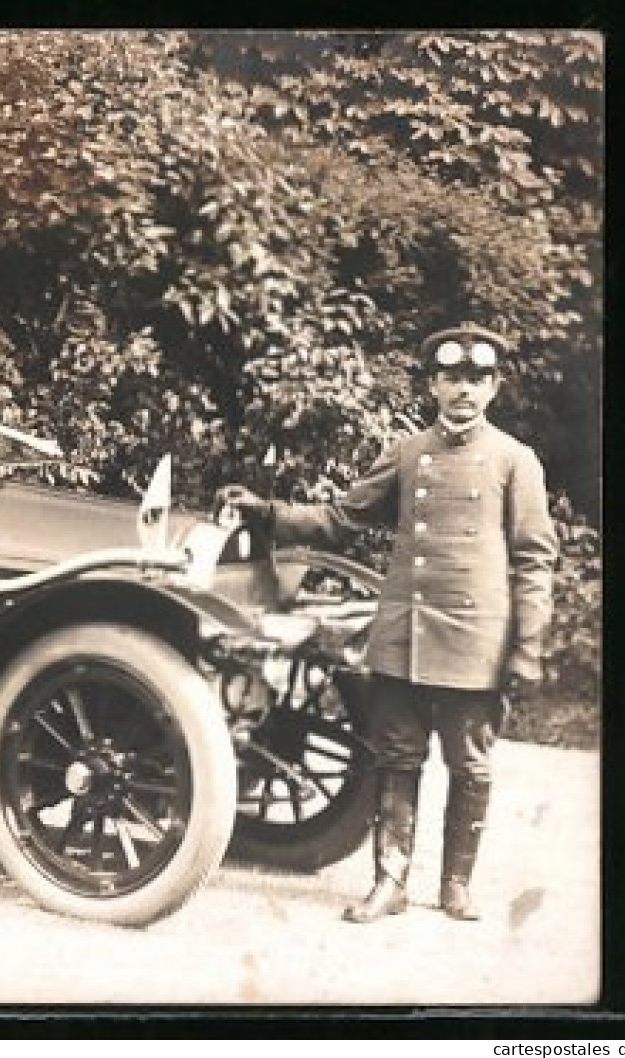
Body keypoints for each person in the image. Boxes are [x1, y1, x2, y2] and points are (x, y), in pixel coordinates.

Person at [216, 324, 558, 924]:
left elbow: (534, 559)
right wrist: (268, 514)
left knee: (470, 763)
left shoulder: (515, 461)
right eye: (452, 377)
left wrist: (525, 646)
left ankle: (456, 884)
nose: (464, 391)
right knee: (395, 757)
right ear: (433, 383)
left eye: (478, 379)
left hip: (476, 638)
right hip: (404, 634)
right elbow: (341, 519)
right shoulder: (407, 453)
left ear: (495, 387)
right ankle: (389, 882)